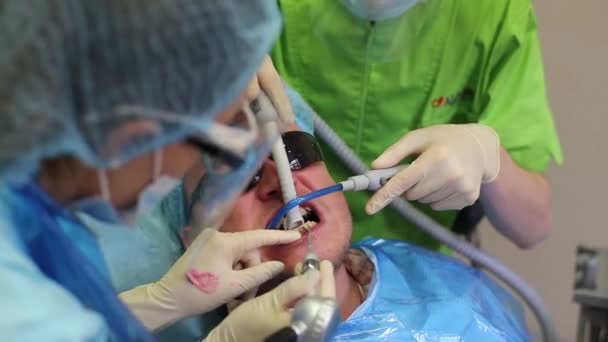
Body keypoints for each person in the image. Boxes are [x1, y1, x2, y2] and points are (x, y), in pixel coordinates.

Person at [0, 0, 322, 340]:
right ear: (128, 140)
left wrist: (156, 304)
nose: (274, 179)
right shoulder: (23, 311)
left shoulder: (26, 201)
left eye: (295, 152)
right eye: (212, 148)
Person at [270, 0, 563, 250]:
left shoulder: (492, 12)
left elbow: (533, 225)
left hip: (413, 278)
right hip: (270, 254)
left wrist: (484, 153)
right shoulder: (257, 11)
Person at [191, 125, 530, 341]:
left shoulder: (435, 282)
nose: (279, 180)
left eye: (293, 151)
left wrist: (486, 147)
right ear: (193, 240)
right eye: (237, 177)